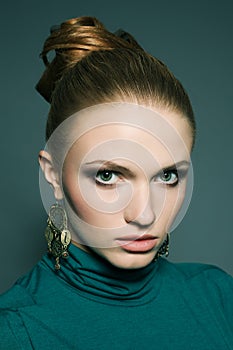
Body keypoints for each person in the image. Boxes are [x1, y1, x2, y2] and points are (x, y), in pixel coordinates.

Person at [0, 16, 232, 350]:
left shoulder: (218, 297)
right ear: (52, 174)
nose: (145, 214)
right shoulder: (17, 331)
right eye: (108, 176)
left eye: (167, 176)